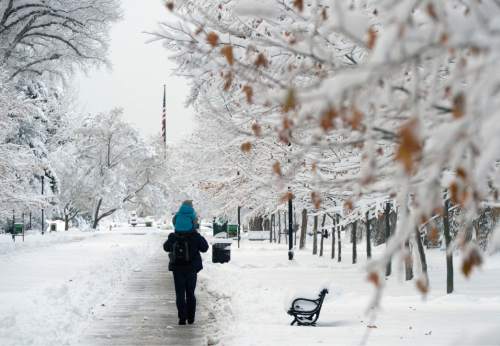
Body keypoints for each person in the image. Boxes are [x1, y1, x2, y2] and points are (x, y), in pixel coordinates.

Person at [163, 200, 208, 325]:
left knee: (179, 293)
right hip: (192, 268)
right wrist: (197, 235)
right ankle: (191, 318)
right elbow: (205, 248)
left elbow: (166, 247)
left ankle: (182, 318)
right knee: (190, 293)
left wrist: (173, 239)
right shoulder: (195, 235)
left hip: (177, 268)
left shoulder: (173, 236)